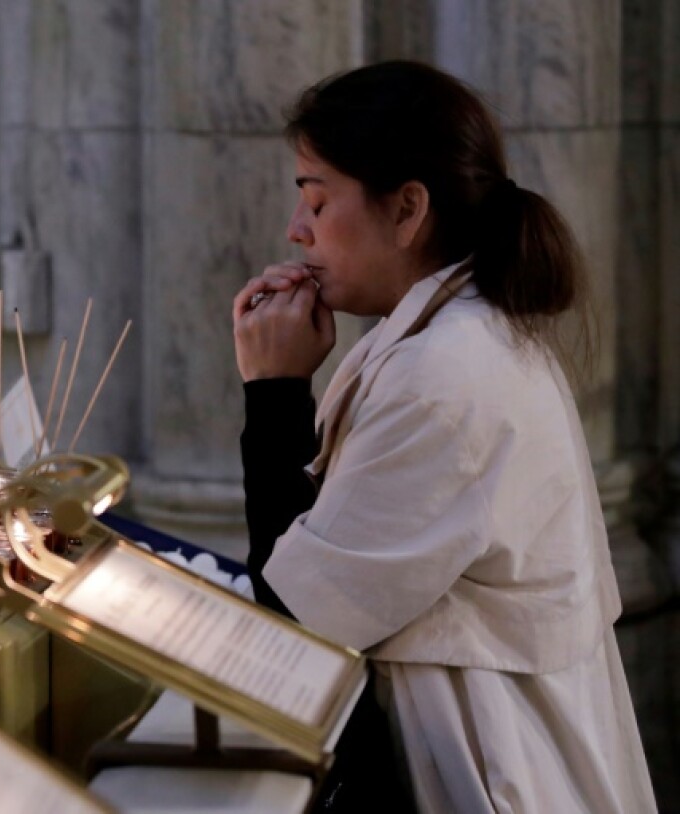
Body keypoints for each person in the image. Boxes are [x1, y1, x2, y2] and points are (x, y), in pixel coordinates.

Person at [232, 60, 656, 813]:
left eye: (318, 200)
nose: (295, 229)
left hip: (499, 775)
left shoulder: (447, 373)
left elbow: (295, 621)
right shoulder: (443, 332)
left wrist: (274, 393)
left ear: (406, 211)